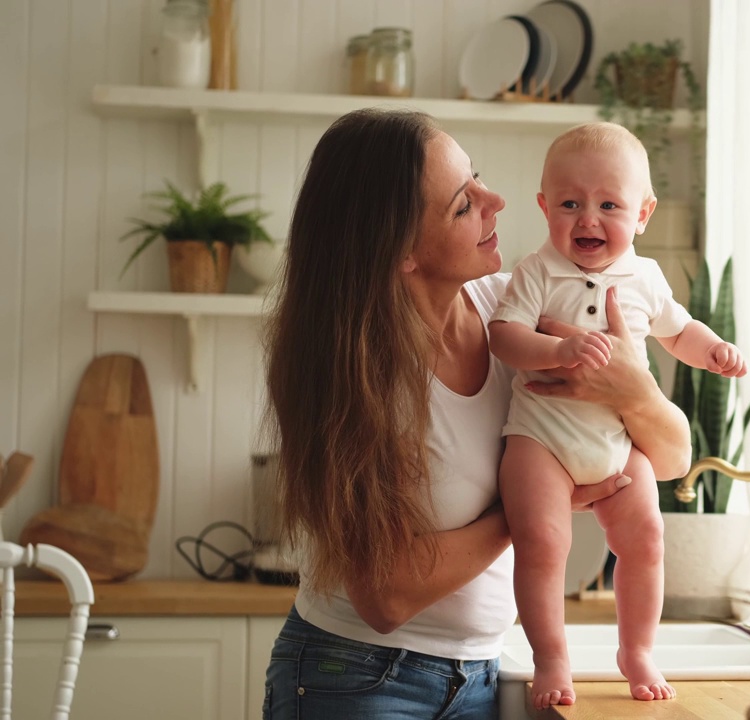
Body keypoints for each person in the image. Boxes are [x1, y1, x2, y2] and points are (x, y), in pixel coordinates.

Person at [260, 109, 692, 719]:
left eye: (479, 178)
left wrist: (635, 394)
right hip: (354, 678)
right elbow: (385, 595)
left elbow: (673, 461)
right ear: (403, 251)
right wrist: (533, 511)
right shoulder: (350, 373)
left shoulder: (516, 308)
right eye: (463, 205)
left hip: (481, 674)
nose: (497, 201)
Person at [487, 122, 747, 710]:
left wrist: (713, 352)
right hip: (541, 439)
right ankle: (551, 656)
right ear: (544, 205)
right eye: (571, 203)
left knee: (647, 537)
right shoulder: (535, 271)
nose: (588, 219)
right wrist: (557, 351)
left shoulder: (645, 277)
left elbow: (678, 331)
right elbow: (503, 336)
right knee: (542, 543)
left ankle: (637, 650)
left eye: (609, 205)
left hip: (616, 442)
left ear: (643, 213)